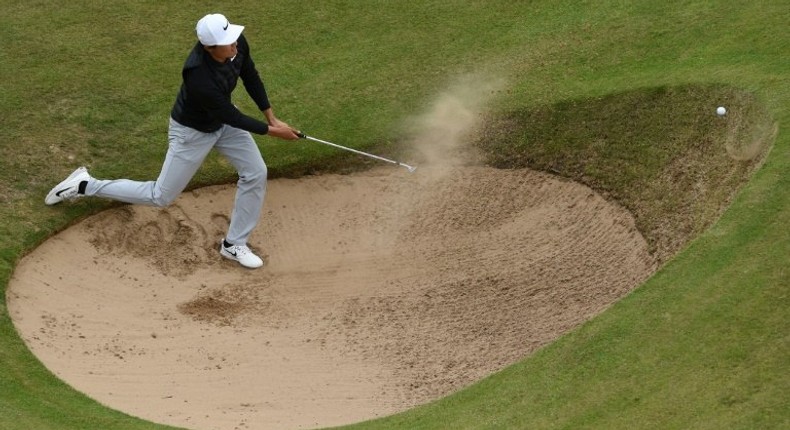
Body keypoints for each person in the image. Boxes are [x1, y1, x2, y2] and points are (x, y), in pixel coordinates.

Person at [45, 13, 300, 269]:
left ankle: (233, 244)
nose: (234, 43)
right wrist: (275, 132)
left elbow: (250, 75)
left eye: (233, 37)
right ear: (210, 48)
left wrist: (272, 117)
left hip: (223, 121)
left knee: (256, 171)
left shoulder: (236, 41)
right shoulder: (199, 76)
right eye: (227, 41)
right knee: (160, 196)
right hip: (192, 132)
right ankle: (84, 185)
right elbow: (231, 116)